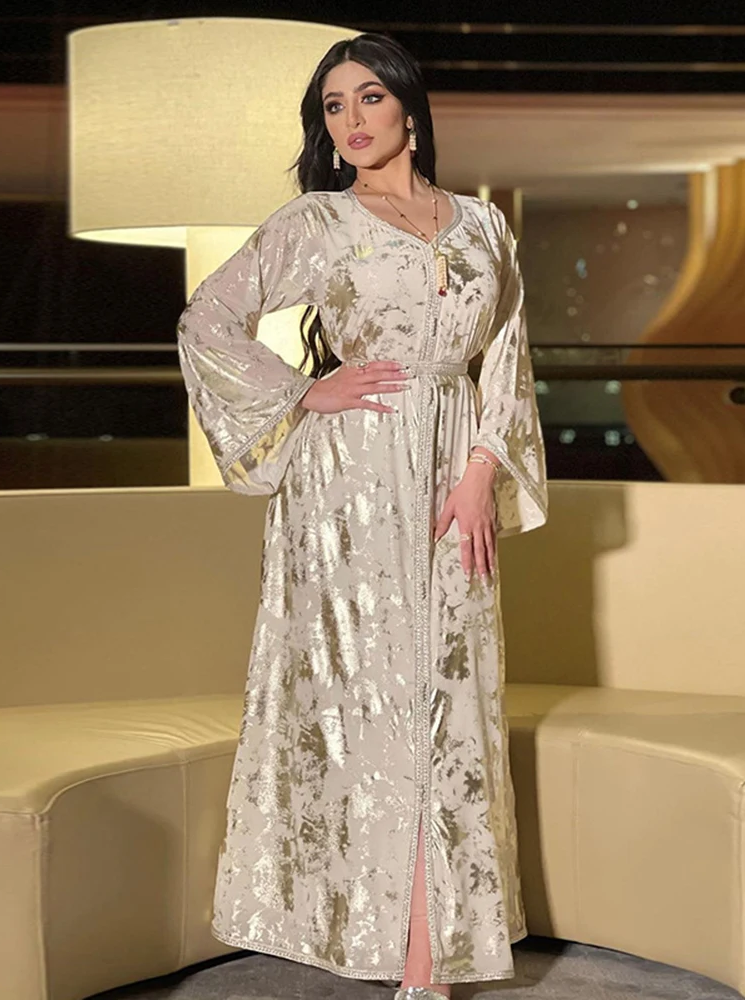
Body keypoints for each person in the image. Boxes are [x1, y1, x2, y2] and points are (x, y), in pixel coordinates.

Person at [176, 30, 548, 1000]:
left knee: (451, 689)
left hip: (454, 469)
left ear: (409, 110)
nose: (350, 120)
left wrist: (482, 471)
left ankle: (436, 945)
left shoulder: (482, 225)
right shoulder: (316, 221)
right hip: (346, 481)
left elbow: (507, 356)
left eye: (368, 98)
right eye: (333, 106)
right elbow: (207, 318)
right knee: (372, 699)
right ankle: (407, 956)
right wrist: (303, 392)